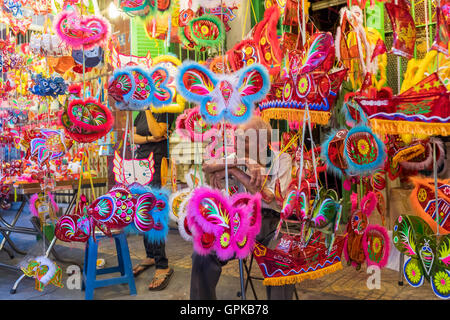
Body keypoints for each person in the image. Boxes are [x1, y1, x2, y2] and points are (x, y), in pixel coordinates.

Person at [189, 116, 294, 300]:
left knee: (283, 255)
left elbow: (270, 198)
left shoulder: (281, 159)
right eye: (236, 136)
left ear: (262, 144)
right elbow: (207, 166)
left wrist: (233, 171)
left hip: (269, 223)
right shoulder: (236, 158)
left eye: (244, 139)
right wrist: (240, 163)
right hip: (237, 223)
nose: (236, 142)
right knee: (202, 252)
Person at [132, 109, 174, 291]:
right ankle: (150, 256)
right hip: (141, 165)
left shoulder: (166, 111)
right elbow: (133, 138)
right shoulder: (140, 114)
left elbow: (159, 132)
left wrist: (149, 110)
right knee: (142, 210)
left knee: (154, 213)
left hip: (157, 165)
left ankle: (162, 264)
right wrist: (149, 139)